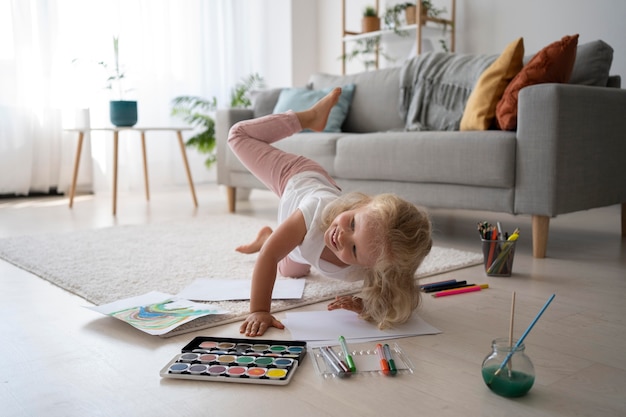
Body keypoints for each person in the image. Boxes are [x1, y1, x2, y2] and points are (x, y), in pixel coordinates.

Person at [228, 87, 432, 337]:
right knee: (237, 135)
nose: (341, 236)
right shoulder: (316, 210)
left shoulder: (377, 261)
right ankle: (310, 117)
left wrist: (365, 306)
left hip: (300, 239)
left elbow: (392, 302)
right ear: (360, 205)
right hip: (297, 178)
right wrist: (259, 310)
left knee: (292, 270)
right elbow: (269, 256)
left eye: (355, 249)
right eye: (353, 224)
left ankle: (270, 235)